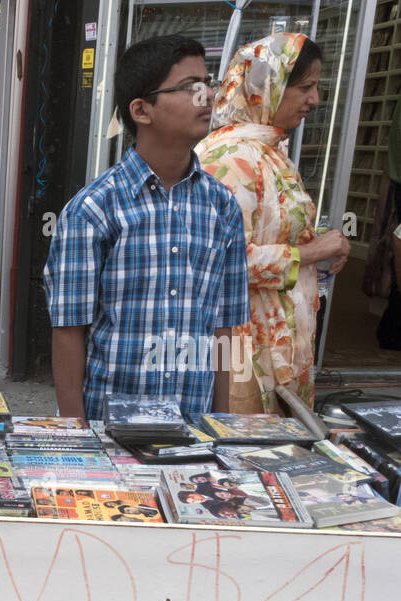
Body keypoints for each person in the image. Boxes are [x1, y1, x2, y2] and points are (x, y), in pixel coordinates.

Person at [44, 35, 249, 420]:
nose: (207, 97)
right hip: (111, 428)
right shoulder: (94, 210)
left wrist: (222, 426)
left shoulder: (223, 207)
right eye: (191, 87)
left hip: (192, 429)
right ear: (141, 110)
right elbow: (69, 331)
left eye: (210, 84)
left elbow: (224, 327)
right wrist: (75, 433)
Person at [198, 35, 350, 414]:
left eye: (316, 87)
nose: (314, 100)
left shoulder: (268, 150)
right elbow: (220, 261)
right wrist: (309, 253)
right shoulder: (230, 157)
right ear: (267, 88)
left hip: (275, 340)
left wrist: (323, 251)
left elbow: (279, 232)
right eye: (305, 87)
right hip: (242, 345)